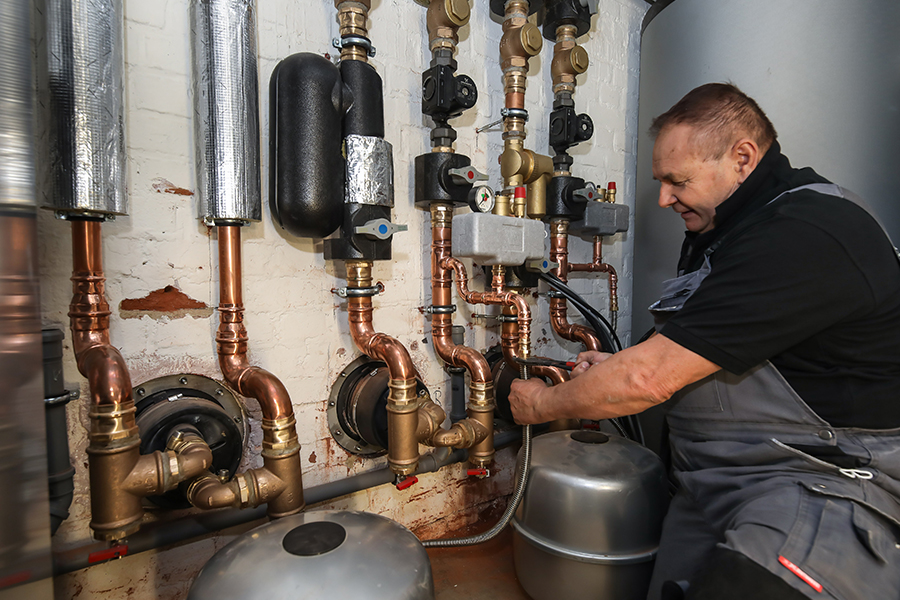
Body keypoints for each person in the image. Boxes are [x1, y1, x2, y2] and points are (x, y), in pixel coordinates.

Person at [508, 83, 900, 600]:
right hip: (713, 480)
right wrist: (620, 362)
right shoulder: (725, 230)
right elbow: (705, 339)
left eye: (677, 181)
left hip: (815, 481)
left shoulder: (807, 232)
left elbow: (651, 378)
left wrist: (542, 403)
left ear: (743, 157)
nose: (665, 198)